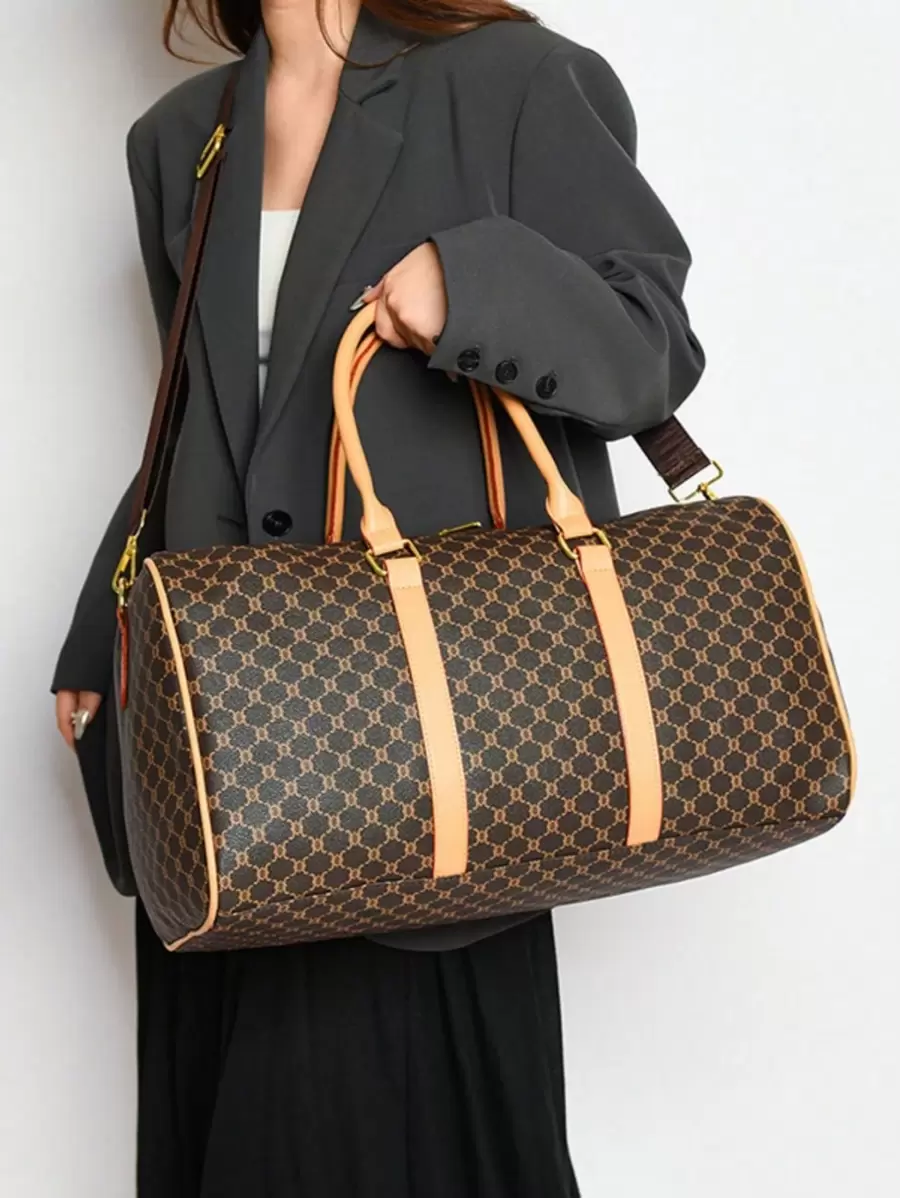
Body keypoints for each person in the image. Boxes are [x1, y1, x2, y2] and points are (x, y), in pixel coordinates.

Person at [52, 1, 705, 1194]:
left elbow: (650, 346)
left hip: (436, 758)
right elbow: (203, 425)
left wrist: (474, 287)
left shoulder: (516, 80)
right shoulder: (181, 139)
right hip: (216, 756)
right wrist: (105, 632)